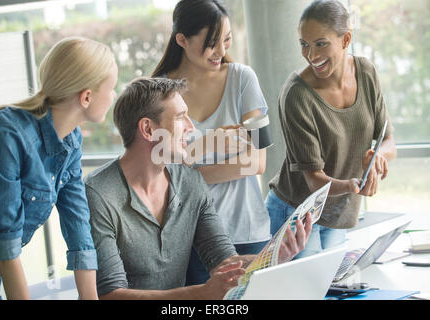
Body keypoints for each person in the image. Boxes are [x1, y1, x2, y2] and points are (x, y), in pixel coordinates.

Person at [84, 77, 312, 299]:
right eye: (181, 118)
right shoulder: (99, 194)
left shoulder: (189, 180)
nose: (191, 128)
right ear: (148, 129)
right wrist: (202, 293)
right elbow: (110, 295)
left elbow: (224, 262)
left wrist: (275, 255)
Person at [0, 36, 118, 300]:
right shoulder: (6, 136)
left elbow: (78, 224)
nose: (114, 96)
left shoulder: (72, 140)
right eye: (111, 89)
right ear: (87, 97)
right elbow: (5, 248)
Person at [152, 0, 271, 285]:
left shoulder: (244, 79)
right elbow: (159, 174)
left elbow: (257, 161)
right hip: (191, 239)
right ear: (181, 39)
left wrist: (189, 165)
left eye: (227, 40)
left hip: (248, 232)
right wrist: (214, 144)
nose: (221, 51)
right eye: (212, 43)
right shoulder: (157, 91)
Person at [266, 0, 397, 259]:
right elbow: (314, 180)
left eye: (321, 43)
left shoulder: (367, 73)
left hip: (338, 212)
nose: (311, 55)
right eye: (305, 44)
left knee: (335, 291)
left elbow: (389, 140)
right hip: (297, 212)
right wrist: (351, 185)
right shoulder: (296, 94)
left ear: (345, 39)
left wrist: (379, 157)